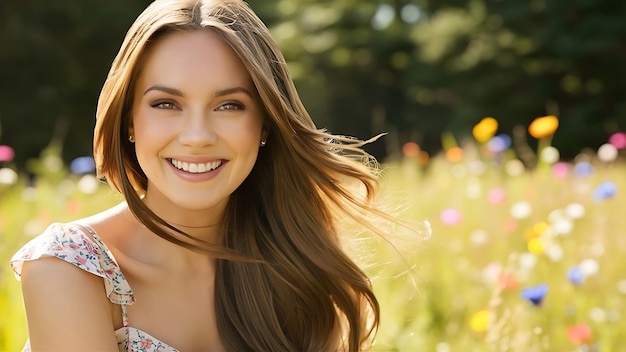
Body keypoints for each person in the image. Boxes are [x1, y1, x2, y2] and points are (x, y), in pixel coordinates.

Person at [10, 0, 396, 350]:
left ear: (265, 124)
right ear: (130, 120)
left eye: (229, 105)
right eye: (166, 104)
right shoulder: (69, 268)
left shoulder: (297, 272)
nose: (197, 137)